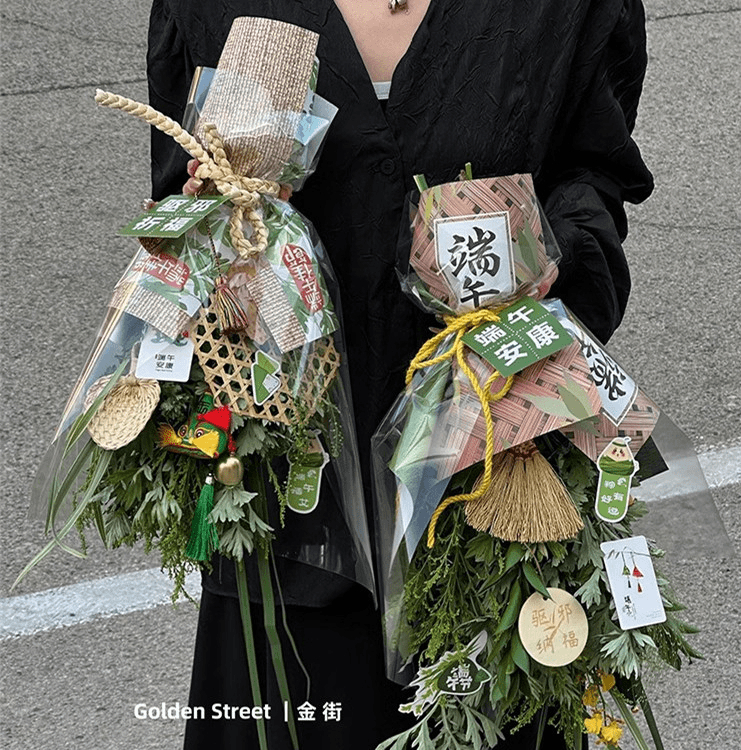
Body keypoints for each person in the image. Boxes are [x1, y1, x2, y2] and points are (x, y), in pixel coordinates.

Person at [147, 1, 654, 747]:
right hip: (290, 494)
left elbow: (595, 171)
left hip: (500, 483)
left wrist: (549, 253)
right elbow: (177, 198)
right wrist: (220, 216)